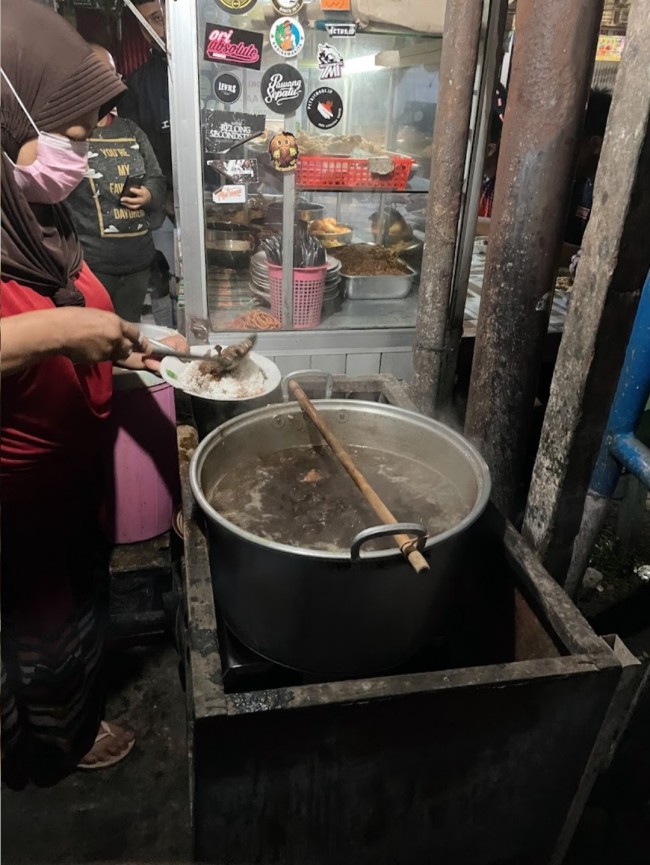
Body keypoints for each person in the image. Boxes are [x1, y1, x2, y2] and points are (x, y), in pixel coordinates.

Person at [1, 0, 186, 789]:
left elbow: (73, 310)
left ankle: (62, 723)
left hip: (72, 495)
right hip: (18, 513)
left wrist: (133, 346)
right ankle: (47, 756)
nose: (85, 146)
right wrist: (59, 336)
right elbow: (44, 331)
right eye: (70, 131)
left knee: (71, 630)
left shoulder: (33, 219)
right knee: (34, 638)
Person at [66, 44, 166, 322]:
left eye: (110, 75)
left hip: (138, 263)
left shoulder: (132, 130)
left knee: (128, 336)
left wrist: (148, 194)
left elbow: (157, 179)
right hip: (91, 268)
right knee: (96, 343)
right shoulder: (67, 136)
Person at [119, 1, 172, 212]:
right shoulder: (136, 85)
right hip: (164, 204)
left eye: (159, 18)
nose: (157, 30)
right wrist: (162, 194)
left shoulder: (211, 69)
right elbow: (138, 152)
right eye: (147, 22)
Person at [564, 88, 612, 246]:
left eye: (569, 144)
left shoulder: (614, 195)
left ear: (596, 145)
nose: (562, 153)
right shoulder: (579, 185)